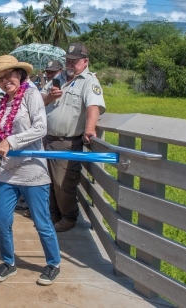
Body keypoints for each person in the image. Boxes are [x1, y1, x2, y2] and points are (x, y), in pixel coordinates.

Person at [0, 55, 61, 285]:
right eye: (0, 78)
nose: (6, 81)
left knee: (41, 221)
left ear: (20, 74)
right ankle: (8, 262)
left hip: (33, 171)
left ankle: (53, 263)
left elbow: (40, 127)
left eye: (9, 75)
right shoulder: (3, 103)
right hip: (8, 172)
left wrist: (12, 141)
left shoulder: (31, 94)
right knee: (2, 221)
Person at [42, 42, 106, 232]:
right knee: (48, 181)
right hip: (47, 139)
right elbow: (39, 99)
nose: (69, 64)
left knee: (63, 183)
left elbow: (93, 105)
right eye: (67, 61)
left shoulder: (89, 81)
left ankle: (69, 217)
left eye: (74, 61)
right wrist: (49, 97)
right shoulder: (59, 77)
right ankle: (54, 214)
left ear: (85, 62)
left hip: (67, 142)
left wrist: (90, 128)